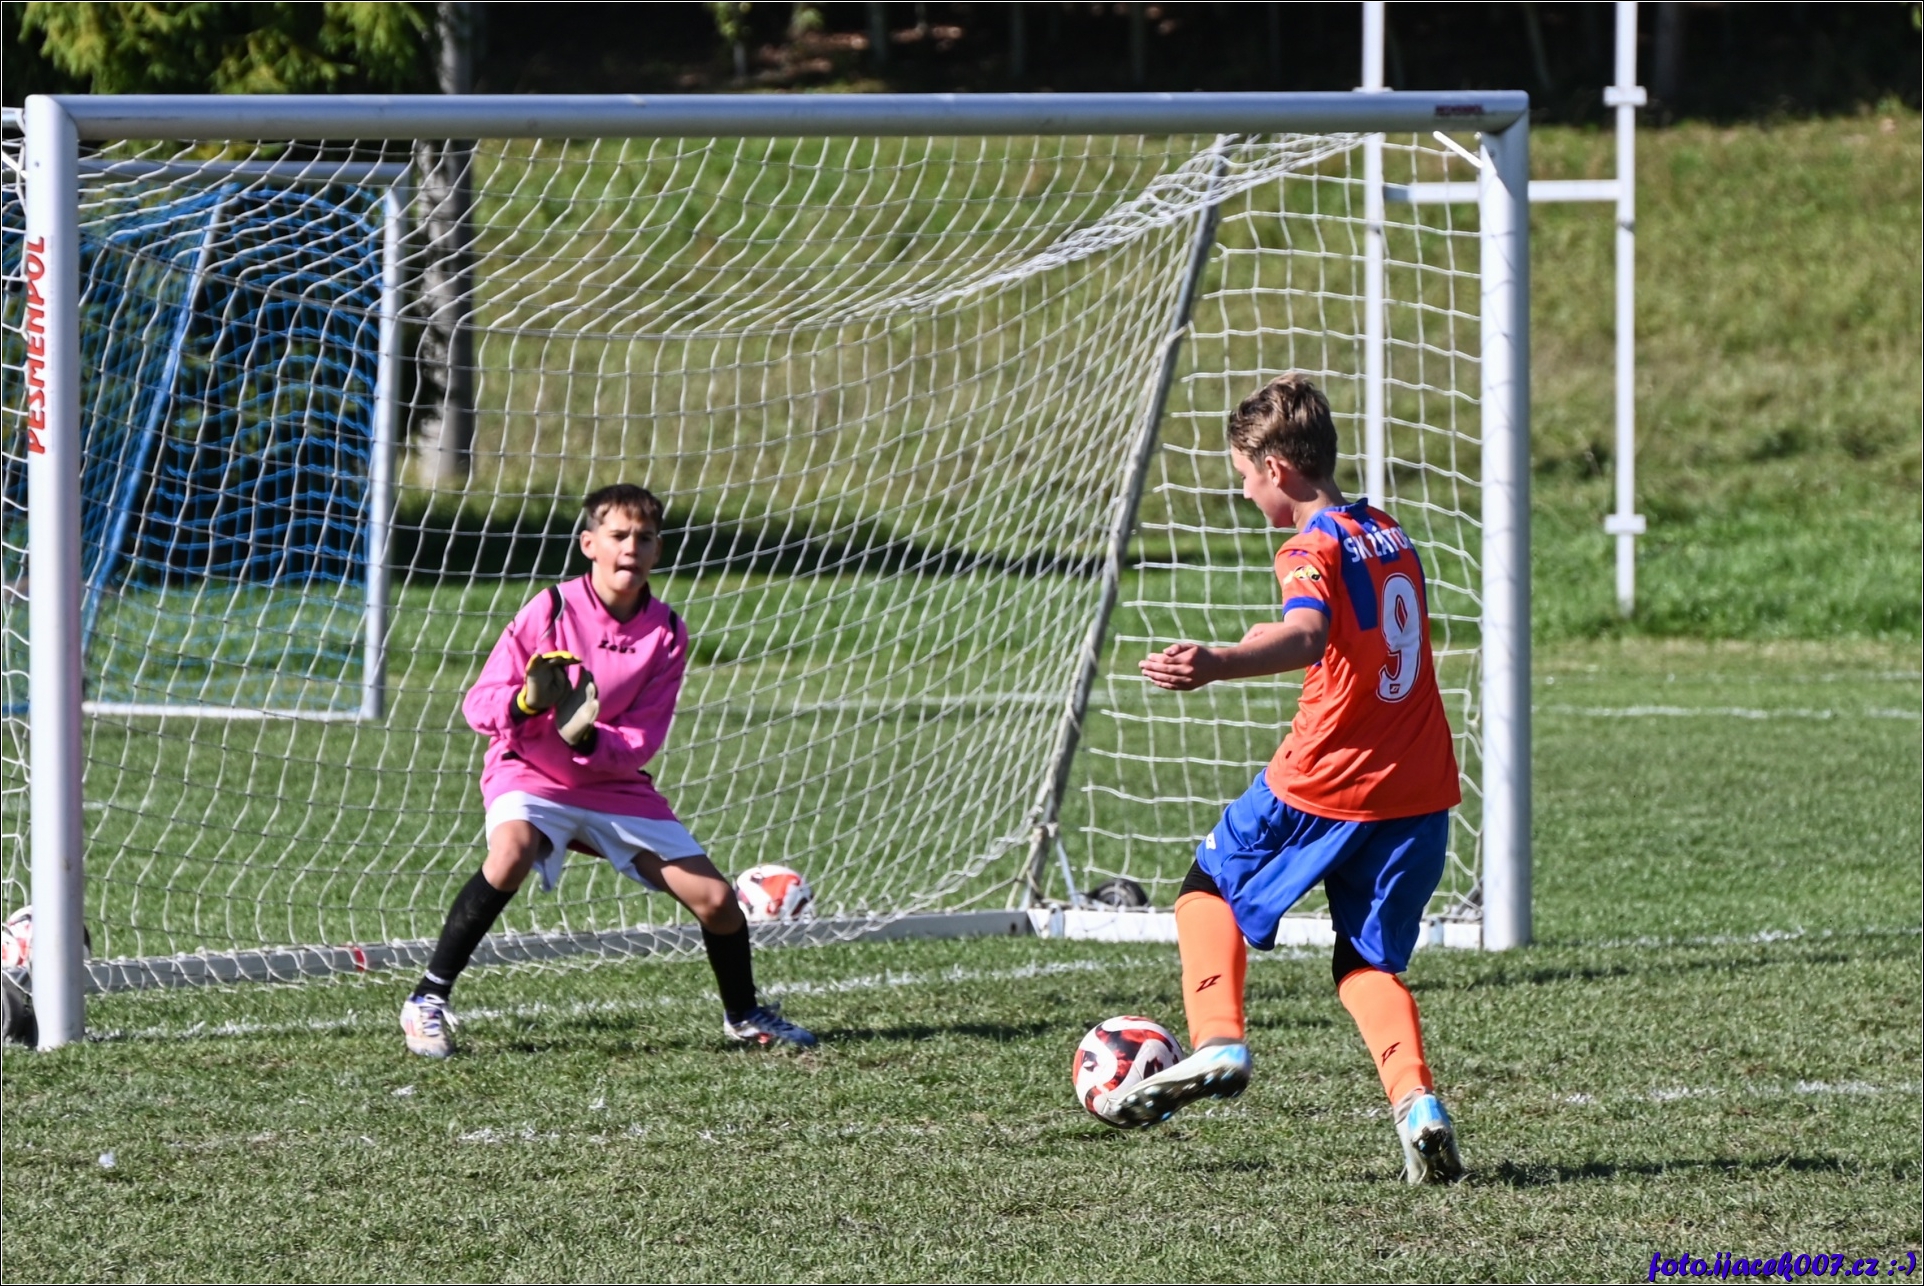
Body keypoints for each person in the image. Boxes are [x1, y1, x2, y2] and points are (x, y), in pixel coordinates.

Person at [1113, 374, 1464, 1184]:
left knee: (1206, 887)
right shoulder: (1388, 531)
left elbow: (1307, 633)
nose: (1244, 491)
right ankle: (1417, 1107)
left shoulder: (1309, 546)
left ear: (1276, 467)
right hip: (1419, 790)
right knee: (1366, 965)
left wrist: (1218, 661)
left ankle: (1218, 1040)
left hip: (1326, 781)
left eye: (1244, 474)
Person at [400, 483, 816, 1057]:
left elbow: (643, 736)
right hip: (531, 772)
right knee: (512, 852)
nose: (631, 548)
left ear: (658, 550)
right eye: (618, 535)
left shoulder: (667, 631)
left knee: (718, 902)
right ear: (589, 544)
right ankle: (426, 1000)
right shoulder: (550, 609)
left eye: (644, 538)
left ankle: (744, 1014)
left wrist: (589, 737)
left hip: (613, 785)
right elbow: (480, 703)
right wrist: (525, 703)